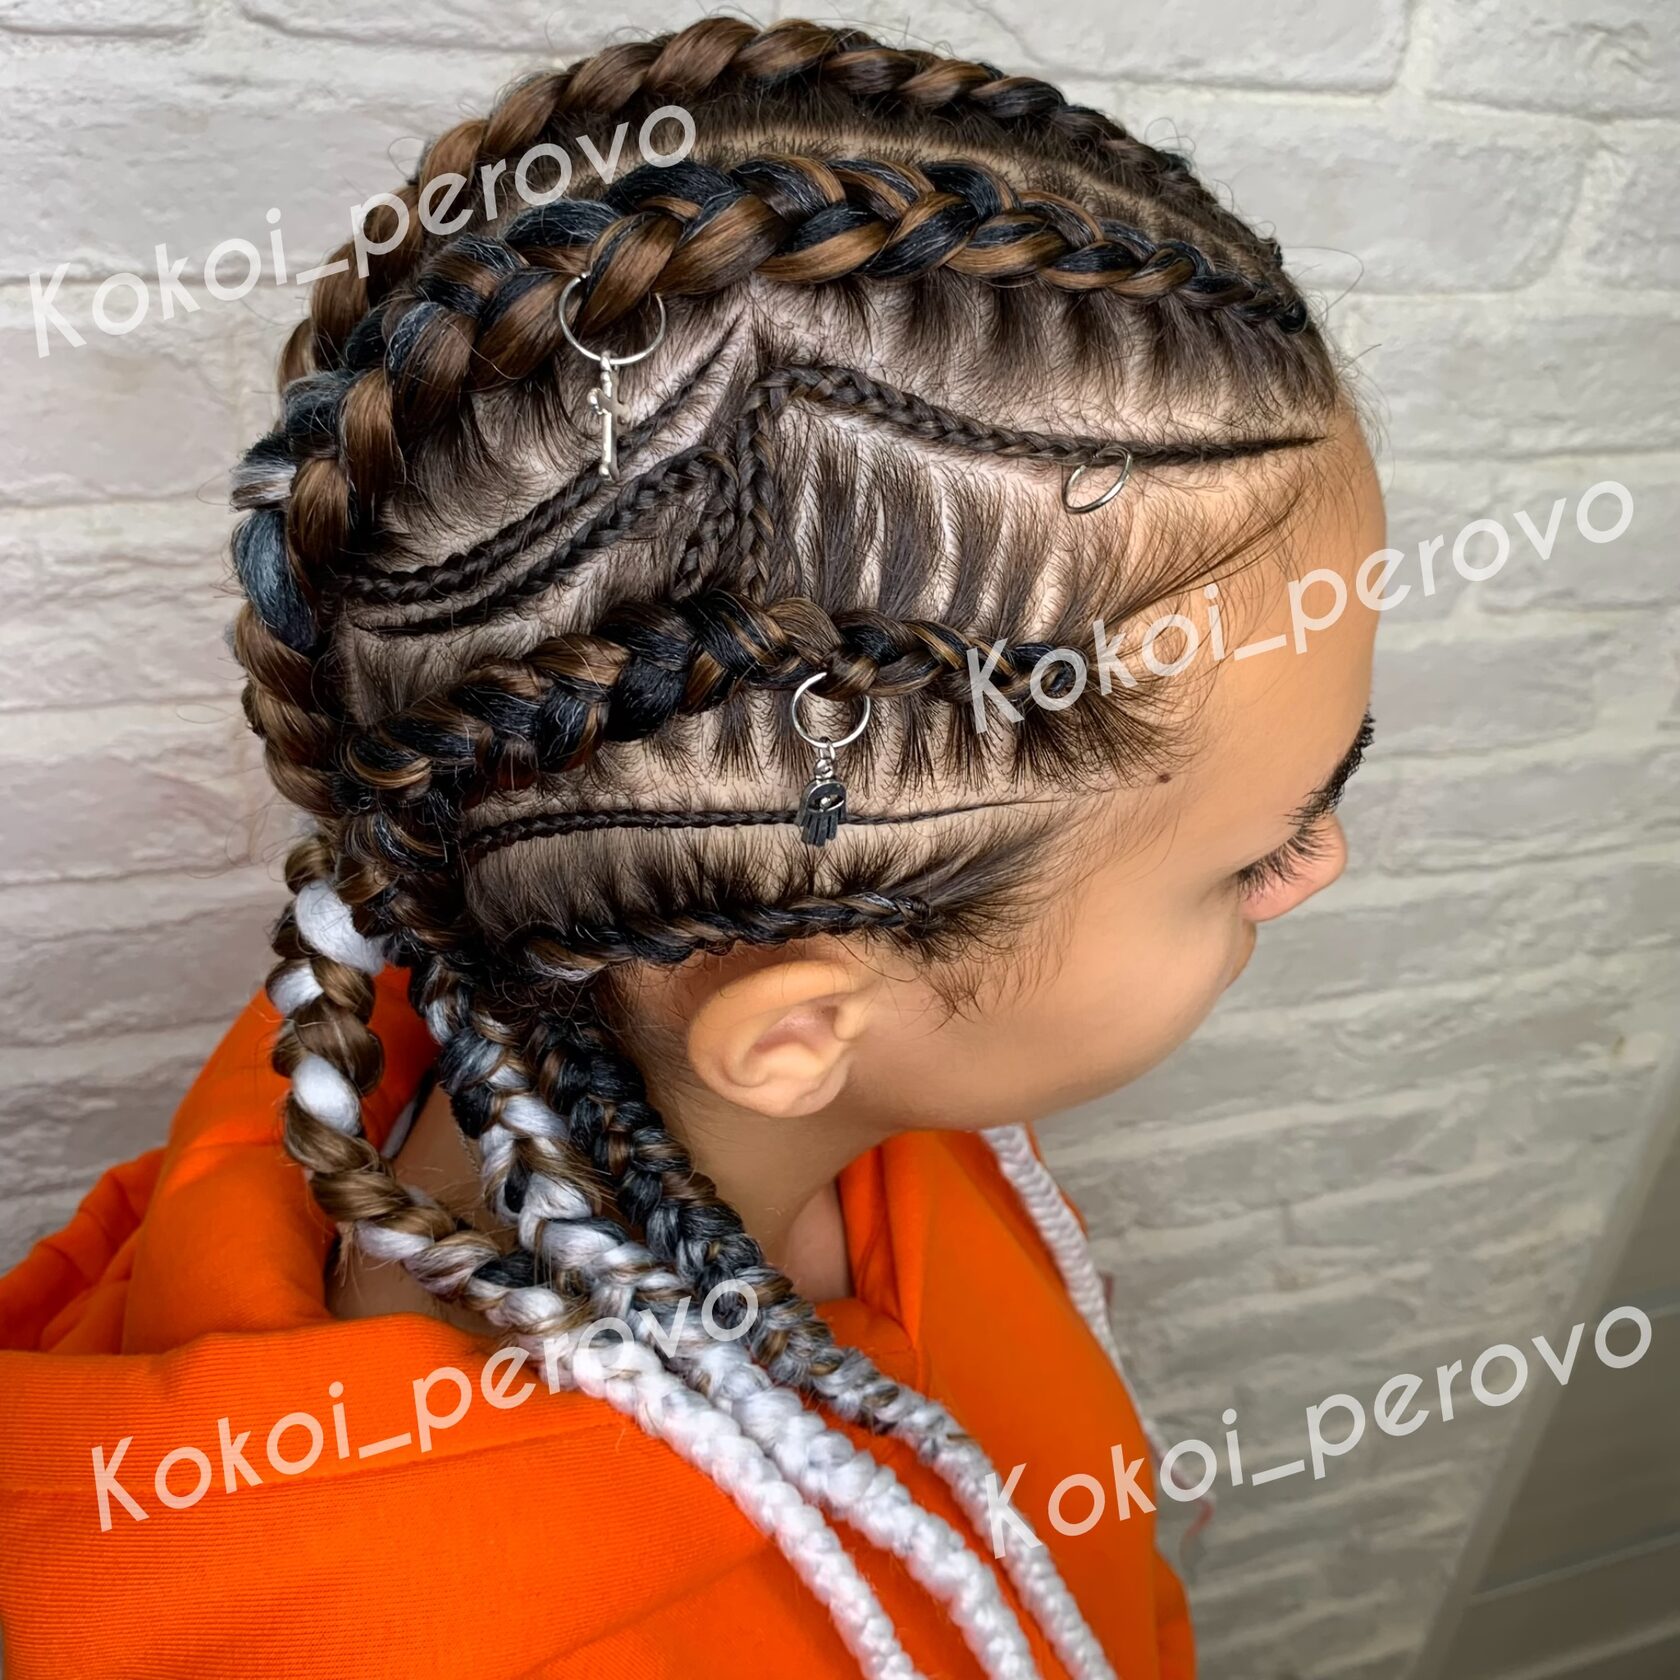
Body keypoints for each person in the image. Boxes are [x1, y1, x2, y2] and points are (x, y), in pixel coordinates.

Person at [0, 18, 1384, 1679]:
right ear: (795, 1035)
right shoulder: (477, 1632)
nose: (1322, 866)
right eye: (1251, 856)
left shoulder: (754, 1081)